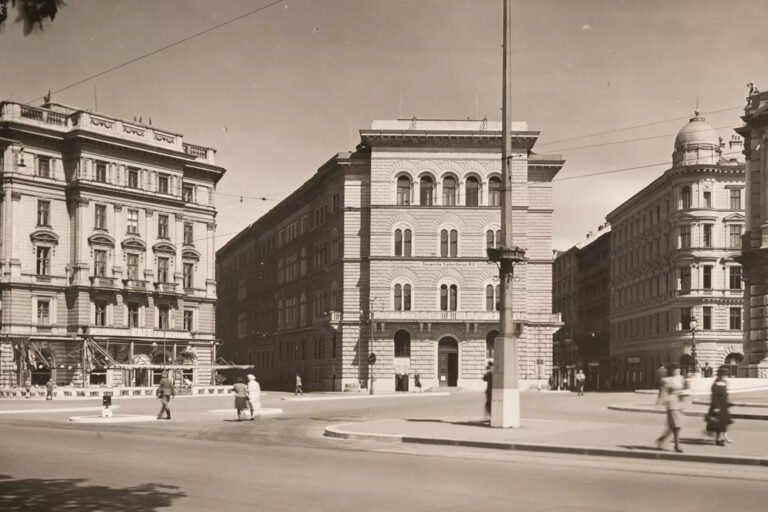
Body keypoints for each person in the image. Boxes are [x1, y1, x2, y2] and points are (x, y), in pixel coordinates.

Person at [655, 363, 686, 453]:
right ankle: (677, 446)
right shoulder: (666, 380)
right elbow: (664, 392)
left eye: (679, 369)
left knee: (673, 427)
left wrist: (684, 394)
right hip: (672, 404)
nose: (678, 371)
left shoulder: (681, 379)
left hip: (679, 404)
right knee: (676, 426)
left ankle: (661, 440)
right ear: (672, 371)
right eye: (676, 370)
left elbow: (683, 390)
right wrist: (660, 403)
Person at [706, 366, 733, 446]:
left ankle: (722, 437)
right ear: (720, 375)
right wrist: (716, 407)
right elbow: (714, 396)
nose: (725, 376)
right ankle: (718, 439)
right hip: (717, 406)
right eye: (724, 374)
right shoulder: (716, 384)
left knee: (724, 422)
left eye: (726, 374)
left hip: (723, 405)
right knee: (719, 423)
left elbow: (725, 394)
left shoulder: (724, 383)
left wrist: (728, 403)